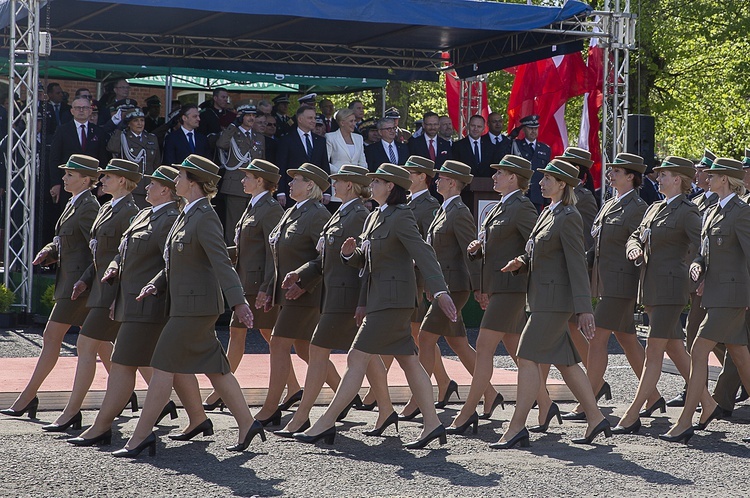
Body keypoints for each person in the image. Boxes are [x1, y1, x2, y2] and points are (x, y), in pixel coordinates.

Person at [295, 163, 458, 449]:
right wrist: (350, 255)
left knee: (356, 358)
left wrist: (440, 290)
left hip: (393, 302)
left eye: (377, 181)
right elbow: (366, 261)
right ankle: (432, 424)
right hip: (380, 301)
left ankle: (325, 422)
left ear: (390, 187)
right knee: (409, 360)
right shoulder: (374, 217)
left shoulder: (401, 216)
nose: (372, 185)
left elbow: (423, 253)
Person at [117, 155, 263, 457]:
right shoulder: (187, 213)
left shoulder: (205, 216)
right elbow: (175, 261)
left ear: (194, 182)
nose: (175, 181)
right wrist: (155, 283)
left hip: (195, 308)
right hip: (186, 304)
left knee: (161, 367)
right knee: (217, 368)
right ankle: (248, 424)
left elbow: (221, 262)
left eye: (181, 176)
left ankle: (140, 437)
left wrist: (238, 302)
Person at [67, 166, 208, 446]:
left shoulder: (171, 219)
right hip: (131, 300)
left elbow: (172, 264)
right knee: (166, 365)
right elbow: (123, 252)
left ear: (165, 190)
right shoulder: (145, 214)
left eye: (152, 184)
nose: (146, 188)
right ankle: (198, 418)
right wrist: (114, 268)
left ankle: (102, 426)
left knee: (122, 364)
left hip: (151, 304)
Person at [495, 159, 610, 448]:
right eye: (543, 177)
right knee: (568, 362)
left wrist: (584, 308)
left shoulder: (569, 216)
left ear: (563, 185)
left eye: (549, 179)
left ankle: (516, 426)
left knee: (527, 356)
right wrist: (521, 262)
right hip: (543, 298)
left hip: (554, 302)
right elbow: (539, 251)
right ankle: (596, 418)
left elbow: (576, 264)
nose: (542, 182)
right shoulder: (549, 212)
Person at [276, 165, 395, 436]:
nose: (333, 184)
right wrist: (300, 274)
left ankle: (302, 417)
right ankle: (387, 411)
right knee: (369, 355)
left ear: (350, 185)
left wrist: (362, 302)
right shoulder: (341, 213)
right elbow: (323, 259)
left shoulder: (358, 215)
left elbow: (366, 263)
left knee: (318, 351)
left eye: (337, 181)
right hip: (335, 296)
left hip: (346, 299)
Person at [614, 156, 714, 434]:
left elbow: (703, 246)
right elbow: (636, 235)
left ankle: (633, 413)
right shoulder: (655, 208)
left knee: (654, 351)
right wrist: (633, 247)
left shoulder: (687, 211)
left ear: (679, 180)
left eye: (664, 175)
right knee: (674, 347)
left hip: (672, 289)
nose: (658, 179)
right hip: (652, 288)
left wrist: (700, 272)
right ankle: (707, 402)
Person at [40, 159, 141, 432]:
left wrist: (115, 296)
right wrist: (85, 281)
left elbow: (126, 257)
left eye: (108, 176)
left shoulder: (130, 213)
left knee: (91, 347)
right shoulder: (108, 208)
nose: (102, 179)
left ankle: (73, 412)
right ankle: (168, 404)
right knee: (138, 356)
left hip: (112, 291)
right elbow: (96, 254)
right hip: (97, 288)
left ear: (122, 181)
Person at [200, 159, 302, 413]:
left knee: (249, 335)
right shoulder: (253, 206)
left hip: (258, 285)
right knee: (266, 337)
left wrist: (268, 287)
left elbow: (273, 253)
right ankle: (293, 388)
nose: (242, 180)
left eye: (247, 177)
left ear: (260, 181)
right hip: (247, 281)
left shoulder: (269, 209)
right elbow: (248, 247)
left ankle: (220, 391)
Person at [1, 155, 99, 420]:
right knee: (103, 345)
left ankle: (27, 396)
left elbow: (97, 251)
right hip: (72, 282)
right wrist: (48, 251)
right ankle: (130, 394)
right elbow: (65, 241)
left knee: (51, 337)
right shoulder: (74, 203)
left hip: (79, 286)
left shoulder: (89, 206)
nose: (65, 178)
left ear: (86, 179)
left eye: (70, 174)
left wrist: (86, 280)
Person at [449, 155, 541, 434]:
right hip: (499, 286)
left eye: (500, 172)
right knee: (517, 351)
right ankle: (546, 406)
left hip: (511, 287)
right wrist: (479, 248)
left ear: (514, 177)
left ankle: (467, 413)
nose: (495, 177)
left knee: (485, 347)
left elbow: (534, 245)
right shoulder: (500, 207)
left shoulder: (522, 207)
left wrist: (520, 261)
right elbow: (498, 243)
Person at [661, 158, 750, 443]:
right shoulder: (712, 210)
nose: (706, 178)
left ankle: (685, 421)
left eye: (713, 175)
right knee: (740, 356)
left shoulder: (742, 212)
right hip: (715, 294)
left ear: (725, 179)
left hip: (733, 297)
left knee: (698, 351)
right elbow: (704, 251)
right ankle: (698, 413)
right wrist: (697, 265)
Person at [575, 153, 664, 428]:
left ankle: (586, 402)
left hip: (622, 283)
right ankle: (653, 397)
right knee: (626, 339)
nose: (610, 174)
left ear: (631, 177)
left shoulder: (637, 207)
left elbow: (638, 244)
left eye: (617, 171)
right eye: (611, 170)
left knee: (597, 338)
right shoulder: (610, 203)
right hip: (606, 281)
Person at [252, 164, 337, 427]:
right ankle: (344, 395)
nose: (290, 184)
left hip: (304, 294)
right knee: (303, 348)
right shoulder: (292, 211)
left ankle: (270, 407)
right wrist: (268, 288)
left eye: (296, 180)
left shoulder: (317, 214)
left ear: (310, 185)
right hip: (287, 292)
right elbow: (276, 257)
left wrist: (307, 284)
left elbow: (326, 257)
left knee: (278, 343)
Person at [417, 161, 498, 425]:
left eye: (441, 178)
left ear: (452, 182)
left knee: (426, 338)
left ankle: (418, 400)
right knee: (457, 343)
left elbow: (472, 252)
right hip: (444, 285)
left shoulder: (459, 212)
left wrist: (479, 287)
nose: (436, 181)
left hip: (455, 286)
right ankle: (490, 392)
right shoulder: (445, 209)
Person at [397, 156, 456, 419]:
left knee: (419, 336)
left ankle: (429, 391)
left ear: (423, 177)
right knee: (418, 335)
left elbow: (429, 246)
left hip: (421, 279)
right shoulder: (410, 202)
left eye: (411, 172)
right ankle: (443, 383)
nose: (407, 176)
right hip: (412, 277)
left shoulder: (430, 205)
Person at [667, 149, 718, 408]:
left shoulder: (717, 203)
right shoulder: (697, 202)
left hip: (704, 278)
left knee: (697, 334)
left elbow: (705, 246)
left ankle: (697, 390)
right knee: (708, 336)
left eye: (701, 170)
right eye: (696, 169)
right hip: (689, 275)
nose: (697, 173)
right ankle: (698, 388)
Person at [216, 104, 265, 245]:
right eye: (248, 115)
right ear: (241, 116)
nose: (251, 118)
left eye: (253, 116)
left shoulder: (259, 137)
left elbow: (262, 162)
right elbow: (221, 144)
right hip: (235, 185)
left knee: (252, 224)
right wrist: (233, 125)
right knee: (233, 224)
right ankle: (231, 253)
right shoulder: (232, 133)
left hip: (255, 186)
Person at [275, 106, 329, 208]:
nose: (314, 121)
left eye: (314, 118)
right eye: (310, 118)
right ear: (300, 119)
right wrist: (280, 191)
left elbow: (324, 166)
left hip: (315, 191)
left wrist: (327, 191)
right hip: (293, 190)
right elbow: (281, 166)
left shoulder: (320, 141)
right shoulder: (287, 139)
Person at [106, 108, 161, 208]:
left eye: (142, 120)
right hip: (131, 186)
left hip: (148, 185)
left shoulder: (151, 138)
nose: (140, 123)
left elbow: (156, 163)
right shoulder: (124, 137)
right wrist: (118, 130)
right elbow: (112, 148)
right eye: (135, 120)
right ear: (129, 123)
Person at [325, 108, 368, 212]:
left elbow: (362, 162)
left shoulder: (359, 138)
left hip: (355, 186)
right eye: (351, 121)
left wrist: (359, 176)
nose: (354, 124)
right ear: (342, 122)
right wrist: (342, 173)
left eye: (354, 121)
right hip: (337, 183)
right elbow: (325, 162)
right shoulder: (331, 137)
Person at [511, 115, 551, 213]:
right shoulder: (516, 145)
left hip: (538, 195)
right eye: (530, 128)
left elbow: (547, 173)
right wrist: (511, 137)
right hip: (520, 194)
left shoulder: (545, 149)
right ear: (523, 129)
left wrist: (547, 198)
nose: (533, 131)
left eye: (535, 128)